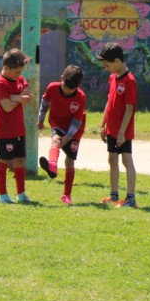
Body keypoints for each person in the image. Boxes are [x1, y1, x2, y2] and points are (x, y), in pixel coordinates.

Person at [37, 65, 87, 205]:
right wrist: (40, 120)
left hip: (74, 130)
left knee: (70, 161)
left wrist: (69, 136)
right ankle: (52, 165)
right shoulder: (52, 87)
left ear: (78, 86)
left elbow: (77, 120)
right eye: (65, 86)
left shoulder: (80, 96)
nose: (67, 91)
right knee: (56, 140)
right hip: (57, 123)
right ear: (62, 79)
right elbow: (44, 104)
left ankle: (66, 195)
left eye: (71, 89)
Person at [97, 42, 139, 208]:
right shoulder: (112, 77)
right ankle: (114, 195)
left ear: (117, 61)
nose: (106, 68)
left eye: (107, 65)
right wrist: (103, 125)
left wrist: (122, 133)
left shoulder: (130, 81)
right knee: (112, 160)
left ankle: (131, 199)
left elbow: (129, 109)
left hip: (123, 131)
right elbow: (109, 102)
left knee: (126, 161)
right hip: (112, 129)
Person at [0, 48, 33, 204]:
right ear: (6, 68)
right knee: (4, 160)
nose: (19, 75)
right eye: (16, 72)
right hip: (4, 130)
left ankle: (21, 194)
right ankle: (2, 195)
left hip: (18, 128)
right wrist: (18, 97)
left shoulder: (20, 79)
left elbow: (28, 97)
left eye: (20, 71)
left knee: (20, 160)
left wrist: (14, 97)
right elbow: (7, 106)